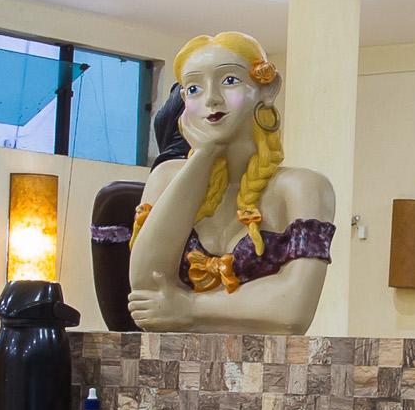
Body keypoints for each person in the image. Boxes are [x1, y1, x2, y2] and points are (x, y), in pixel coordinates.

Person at [122, 32, 334, 335]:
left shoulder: (302, 187)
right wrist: (203, 156)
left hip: (265, 362)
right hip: (174, 360)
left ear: (267, 89)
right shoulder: (167, 177)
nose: (211, 99)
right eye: (194, 88)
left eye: (229, 81)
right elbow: (145, 292)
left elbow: (293, 310)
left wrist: (189, 307)